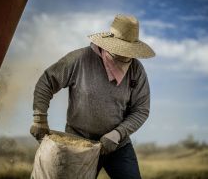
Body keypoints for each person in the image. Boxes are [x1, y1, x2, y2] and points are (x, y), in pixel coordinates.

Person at [30, 14, 155, 178]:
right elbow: (47, 81)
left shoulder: (136, 71)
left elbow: (141, 110)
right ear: (109, 44)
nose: (125, 56)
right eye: (121, 50)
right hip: (78, 143)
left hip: (117, 145)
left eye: (129, 52)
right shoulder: (81, 59)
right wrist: (39, 118)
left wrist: (117, 134)